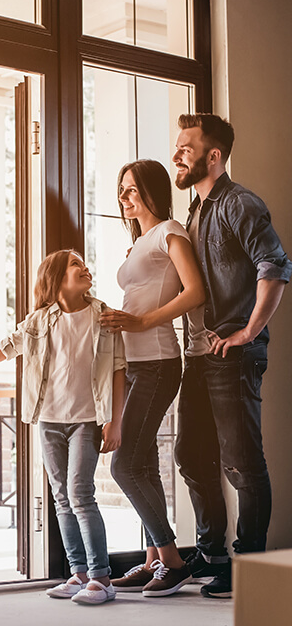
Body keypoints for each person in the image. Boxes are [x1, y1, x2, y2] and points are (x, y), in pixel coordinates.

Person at [0, 249, 126, 605]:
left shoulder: (103, 316)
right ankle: (78, 574)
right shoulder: (37, 322)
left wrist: (115, 421)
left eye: (84, 263)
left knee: (80, 494)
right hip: (48, 419)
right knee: (62, 497)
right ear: (57, 278)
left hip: (86, 420)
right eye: (75, 264)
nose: (85, 267)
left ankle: (102, 578)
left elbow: (118, 370)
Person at [172, 113, 292, 598]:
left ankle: (248, 565)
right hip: (199, 356)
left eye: (186, 147)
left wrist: (248, 332)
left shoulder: (239, 204)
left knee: (242, 464)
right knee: (191, 455)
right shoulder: (193, 213)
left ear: (213, 155)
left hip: (232, 355)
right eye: (177, 146)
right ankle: (214, 554)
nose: (178, 153)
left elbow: (276, 265)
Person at [100, 159, 206, 597]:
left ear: (152, 191)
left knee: (124, 463)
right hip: (137, 363)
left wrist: (142, 323)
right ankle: (152, 562)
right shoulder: (140, 241)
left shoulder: (170, 231)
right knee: (142, 464)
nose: (125, 198)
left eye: (132, 190)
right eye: (121, 191)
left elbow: (195, 291)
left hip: (160, 360)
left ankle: (174, 559)